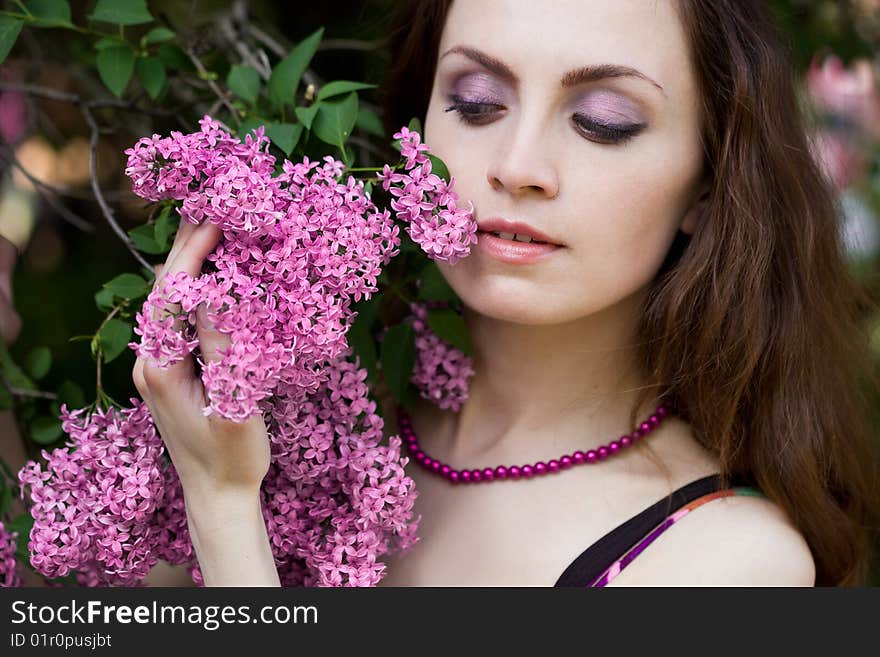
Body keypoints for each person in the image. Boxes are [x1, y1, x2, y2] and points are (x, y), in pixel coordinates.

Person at [132, 0, 880, 586]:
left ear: (709, 183)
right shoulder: (288, 417)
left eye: (602, 122)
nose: (518, 165)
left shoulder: (726, 562)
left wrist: (225, 508)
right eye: (478, 101)